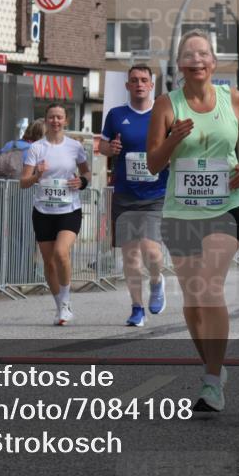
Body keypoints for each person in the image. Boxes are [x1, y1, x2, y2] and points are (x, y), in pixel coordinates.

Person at [147, 29, 239, 412]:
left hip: (227, 205)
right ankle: (215, 366)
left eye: (204, 54)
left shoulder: (233, 98)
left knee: (209, 288)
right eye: (190, 55)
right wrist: (173, 139)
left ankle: (211, 381)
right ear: (179, 64)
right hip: (182, 211)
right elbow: (153, 163)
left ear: (214, 62)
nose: (197, 60)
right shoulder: (166, 104)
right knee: (193, 301)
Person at [100, 65, 169, 327]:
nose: (139, 84)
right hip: (125, 194)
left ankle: (157, 280)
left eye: (143, 80)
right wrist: (111, 148)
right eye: (134, 80)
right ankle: (137, 308)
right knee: (130, 256)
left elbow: (176, 146)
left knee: (151, 251)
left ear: (151, 85)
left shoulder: (162, 114)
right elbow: (103, 146)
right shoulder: (116, 115)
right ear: (127, 85)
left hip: (155, 193)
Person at [20, 103, 91, 326]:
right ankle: (60, 305)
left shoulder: (75, 146)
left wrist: (82, 181)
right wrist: (37, 175)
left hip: (69, 209)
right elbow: (23, 182)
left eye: (59, 117)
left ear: (66, 120)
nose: (55, 121)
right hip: (43, 211)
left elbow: (87, 172)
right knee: (49, 262)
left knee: (61, 253)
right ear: (46, 120)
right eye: (52, 117)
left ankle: (67, 301)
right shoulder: (36, 148)